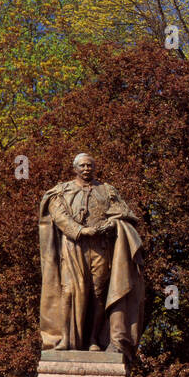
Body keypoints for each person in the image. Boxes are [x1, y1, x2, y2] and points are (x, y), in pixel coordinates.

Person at [39, 152, 145, 358]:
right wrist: (81, 231)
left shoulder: (107, 191)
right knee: (69, 290)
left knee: (98, 293)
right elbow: (59, 216)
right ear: (75, 169)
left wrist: (112, 223)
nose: (87, 169)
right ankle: (66, 339)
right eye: (83, 166)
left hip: (100, 248)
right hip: (72, 247)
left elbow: (124, 213)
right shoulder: (61, 191)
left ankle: (94, 339)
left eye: (90, 166)